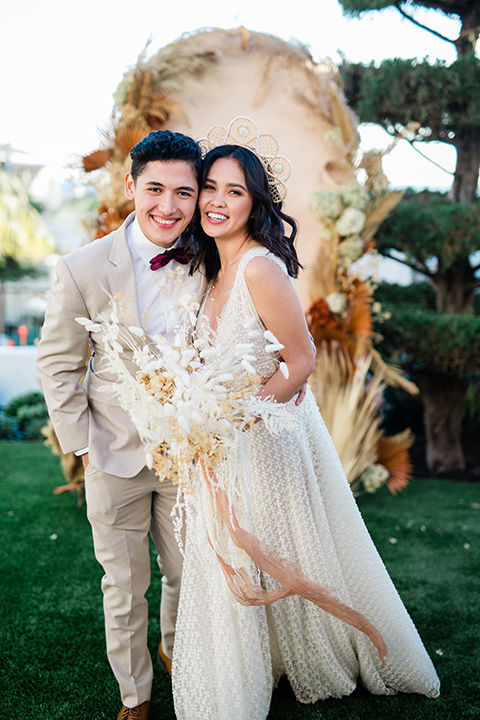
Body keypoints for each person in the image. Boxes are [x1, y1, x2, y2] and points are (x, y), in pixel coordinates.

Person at [170, 133, 441, 719]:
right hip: (220, 445)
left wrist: (238, 420)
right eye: (210, 188)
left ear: (255, 203)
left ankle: (320, 654)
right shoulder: (209, 273)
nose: (217, 200)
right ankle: (255, 660)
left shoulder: (260, 269)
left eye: (233, 191)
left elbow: (302, 361)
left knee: (276, 550)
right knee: (240, 555)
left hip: (264, 439)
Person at [36, 130, 205, 720]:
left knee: (190, 574)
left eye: (183, 192)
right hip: (112, 457)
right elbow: (58, 363)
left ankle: (180, 659)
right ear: (131, 185)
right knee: (125, 586)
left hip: (190, 455)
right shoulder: (83, 267)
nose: (168, 205)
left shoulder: (213, 259)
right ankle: (135, 698)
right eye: (155, 187)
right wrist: (82, 447)